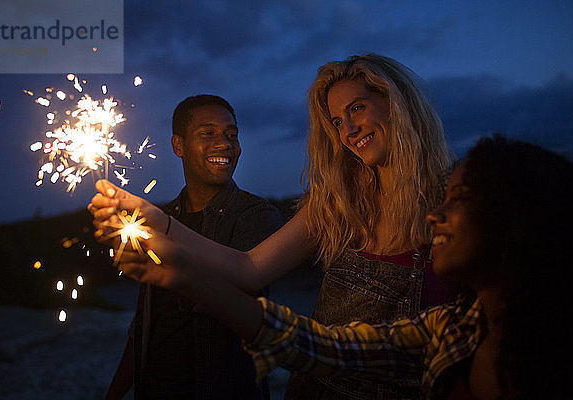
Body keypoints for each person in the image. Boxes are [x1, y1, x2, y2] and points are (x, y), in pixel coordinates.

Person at [91, 54, 455, 399]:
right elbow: (250, 267)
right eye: (337, 122)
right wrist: (156, 221)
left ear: (395, 101)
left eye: (357, 108)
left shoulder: (455, 203)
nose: (349, 130)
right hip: (316, 390)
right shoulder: (338, 202)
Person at [102, 135, 573, 399]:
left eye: (459, 201)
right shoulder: (451, 332)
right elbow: (317, 343)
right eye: (334, 117)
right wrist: (178, 268)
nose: (435, 216)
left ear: (520, 217)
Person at [100, 94, 283, 399]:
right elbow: (146, 322)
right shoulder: (161, 218)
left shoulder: (257, 216)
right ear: (178, 146)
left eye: (231, 134)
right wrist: (114, 392)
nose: (224, 143)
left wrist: (165, 266)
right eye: (207, 133)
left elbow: (234, 307)